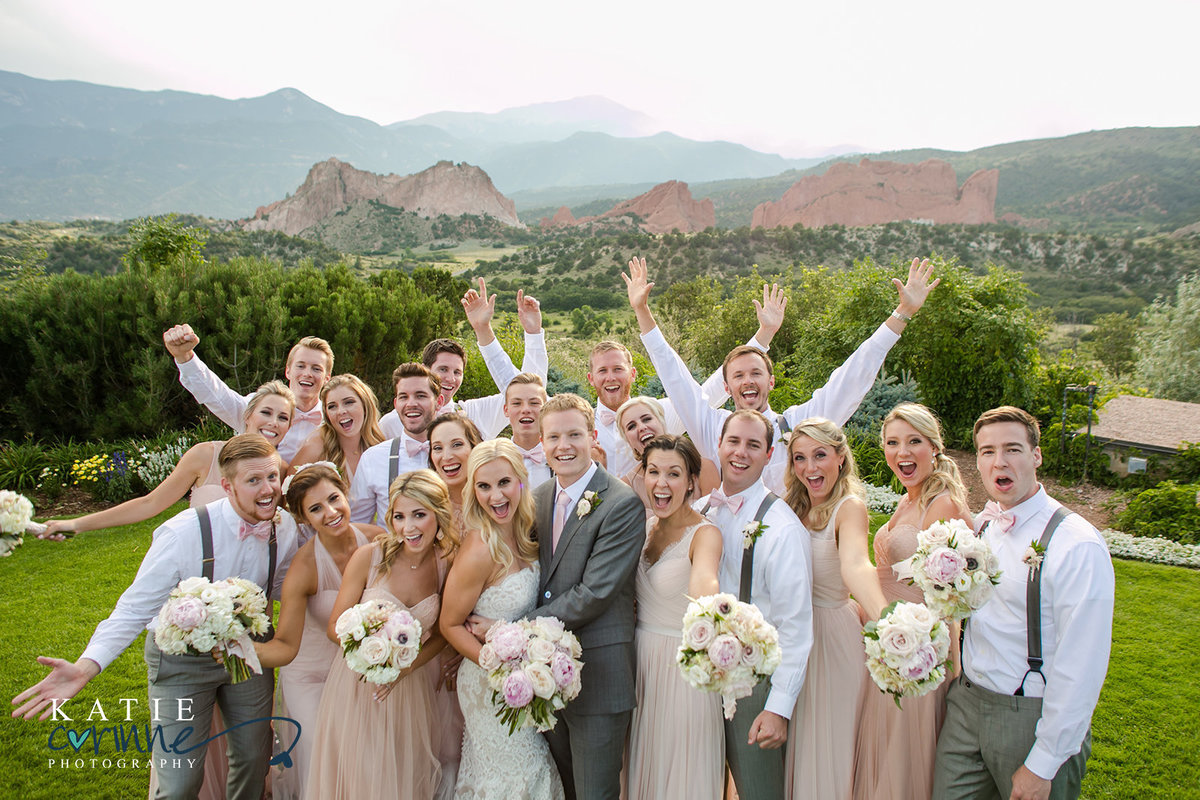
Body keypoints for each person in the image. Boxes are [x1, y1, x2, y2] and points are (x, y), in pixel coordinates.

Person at [12, 434, 299, 800]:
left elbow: (282, 587)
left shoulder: (284, 528)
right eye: (254, 480)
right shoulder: (183, 533)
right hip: (180, 662)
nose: (268, 489)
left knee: (254, 759)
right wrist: (86, 667)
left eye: (273, 477)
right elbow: (133, 608)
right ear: (226, 485)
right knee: (179, 781)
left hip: (249, 653)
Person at [626, 256, 939, 495]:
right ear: (727, 385)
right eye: (738, 376)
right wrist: (642, 311)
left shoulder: (797, 427)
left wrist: (902, 315)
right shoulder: (712, 427)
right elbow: (674, 374)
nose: (748, 380)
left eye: (756, 373)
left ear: (770, 381)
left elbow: (852, 377)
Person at [932, 406, 1114, 800]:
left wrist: (1045, 760)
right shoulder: (981, 527)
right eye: (987, 451)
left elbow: (1083, 665)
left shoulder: (1076, 544)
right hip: (965, 705)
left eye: (1012, 449)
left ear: (1036, 455)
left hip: (1029, 717)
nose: (999, 461)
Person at [521, 392, 647, 800]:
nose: (563, 446)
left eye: (574, 434)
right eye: (553, 437)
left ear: (593, 436)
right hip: (545, 678)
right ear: (541, 442)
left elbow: (594, 593)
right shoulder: (536, 498)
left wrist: (516, 630)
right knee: (564, 790)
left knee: (596, 793)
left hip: (599, 675)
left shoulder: (622, 503)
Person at [305, 469, 454, 800]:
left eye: (419, 515)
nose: (408, 527)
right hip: (360, 686)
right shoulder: (370, 557)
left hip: (413, 685)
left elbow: (443, 632)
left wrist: (405, 668)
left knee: (403, 774)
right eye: (399, 516)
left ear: (438, 514)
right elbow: (334, 626)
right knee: (366, 773)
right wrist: (370, 649)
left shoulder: (447, 563)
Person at [855, 402, 973, 800]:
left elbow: (951, 596)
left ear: (934, 448)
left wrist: (951, 660)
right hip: (887, 642)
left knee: (904, 762)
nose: (902, 453)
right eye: (892, 443)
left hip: (918, 650)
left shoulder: (942, 504)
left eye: (913, 442)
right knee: (882, 752)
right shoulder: (909, 500)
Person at [695, 409, 813, 800]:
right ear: (719, 445)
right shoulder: (700, 511)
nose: (740, 453)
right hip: (701, 683)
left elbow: (795, 628)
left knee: (758, 791)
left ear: (769, 453)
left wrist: (778, 708)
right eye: (734, 442)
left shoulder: (781, 528)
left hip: (753, 687)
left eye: (753, 445)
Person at [439, 439, 565, 799]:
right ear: (473, 491)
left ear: (521, 481)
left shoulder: (526, 533)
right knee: (513, 774)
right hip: (487, 684)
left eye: (504, 483)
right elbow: (449, 624)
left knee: (529, 767)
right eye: (484, 486)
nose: (495, 496)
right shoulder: (480, 547)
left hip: (521, 677)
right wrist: (495, 663)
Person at [250, 462, 383, 799]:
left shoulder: (378, 540)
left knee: (365, 756)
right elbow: (284, 646)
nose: (331, 512)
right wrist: (238, 649)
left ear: (346, 493)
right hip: (310, 677)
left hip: (358, 672)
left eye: (334, 499)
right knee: (324, 752)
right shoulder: (304, 568)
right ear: (303, 519)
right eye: (316, 509)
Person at [39, 381, 296, 540]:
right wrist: (76, 524)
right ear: (248, 415)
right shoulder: (205, 456)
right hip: (197, 569)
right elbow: (149, 503)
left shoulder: (283, 473)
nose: (273, 422)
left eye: (283, 417)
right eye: (266, 412)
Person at [782, 418, 887, 800]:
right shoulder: (789, 507)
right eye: (800, 458)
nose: (810, 468)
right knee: (792, 740)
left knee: (827, 742)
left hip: (831, 640)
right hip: (791, 635)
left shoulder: (849, 508)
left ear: (840, 457)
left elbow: (856, 564)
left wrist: (885, 616)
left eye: (820, 455)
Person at [586, 284, 785, 480]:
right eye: (602, 371)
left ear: (633, 374)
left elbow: (703, 385)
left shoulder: (661, 414)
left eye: (618, 369)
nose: (610, 377)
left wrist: (764, 336)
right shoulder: (581, 425)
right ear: (591, 378)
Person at [626, 435, 723, 800]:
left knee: (681, 774)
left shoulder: (706, 534)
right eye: (653, 472)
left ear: (691, 482)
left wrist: (705, 608)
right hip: (640, 665)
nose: (661, 483)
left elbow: (705, 581)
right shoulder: (646, 526)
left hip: (683, 670)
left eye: (673, 474)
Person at [380, 278, 547, 439]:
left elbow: (530, 391)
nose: (451, 378)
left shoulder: (476, 413)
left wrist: (531, 335)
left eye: (457, 372)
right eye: (443, 369)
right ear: (425, 370)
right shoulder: (391, 424)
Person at [164, 325, 332, 462]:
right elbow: (218, 396)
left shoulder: (333, 418)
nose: (307, 373)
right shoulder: (260, 407)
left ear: (326, 378)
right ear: (288, 371)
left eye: (316, 368)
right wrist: (185, 357)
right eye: (300, 366)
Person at [350, 363, 442, 524]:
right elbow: (358, 524)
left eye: (420, 395)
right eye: (403, 397)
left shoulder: (459, 457)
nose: (411, 403)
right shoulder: (373, 458)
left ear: (439, 402)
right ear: (395, 404)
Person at [615, 395, 719, 510]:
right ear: (628, 440)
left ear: (661, 421)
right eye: (631, 426)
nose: (641, 427)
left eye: (646, 419)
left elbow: (718, 518)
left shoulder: (703, 468)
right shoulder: (625, 487)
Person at [290, 374, 385, 482]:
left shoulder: (381, 442)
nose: (341, 411)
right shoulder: (317, 446)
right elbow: (288, 493)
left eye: (348, 402)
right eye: (332, 406)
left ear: (365, 404)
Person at [503, 372, 553, 488]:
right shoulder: (495, 460)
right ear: (506, 410)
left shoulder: (559, 458)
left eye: (534, 403)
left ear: (545, 408)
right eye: (517, 403)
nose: (526, 409)